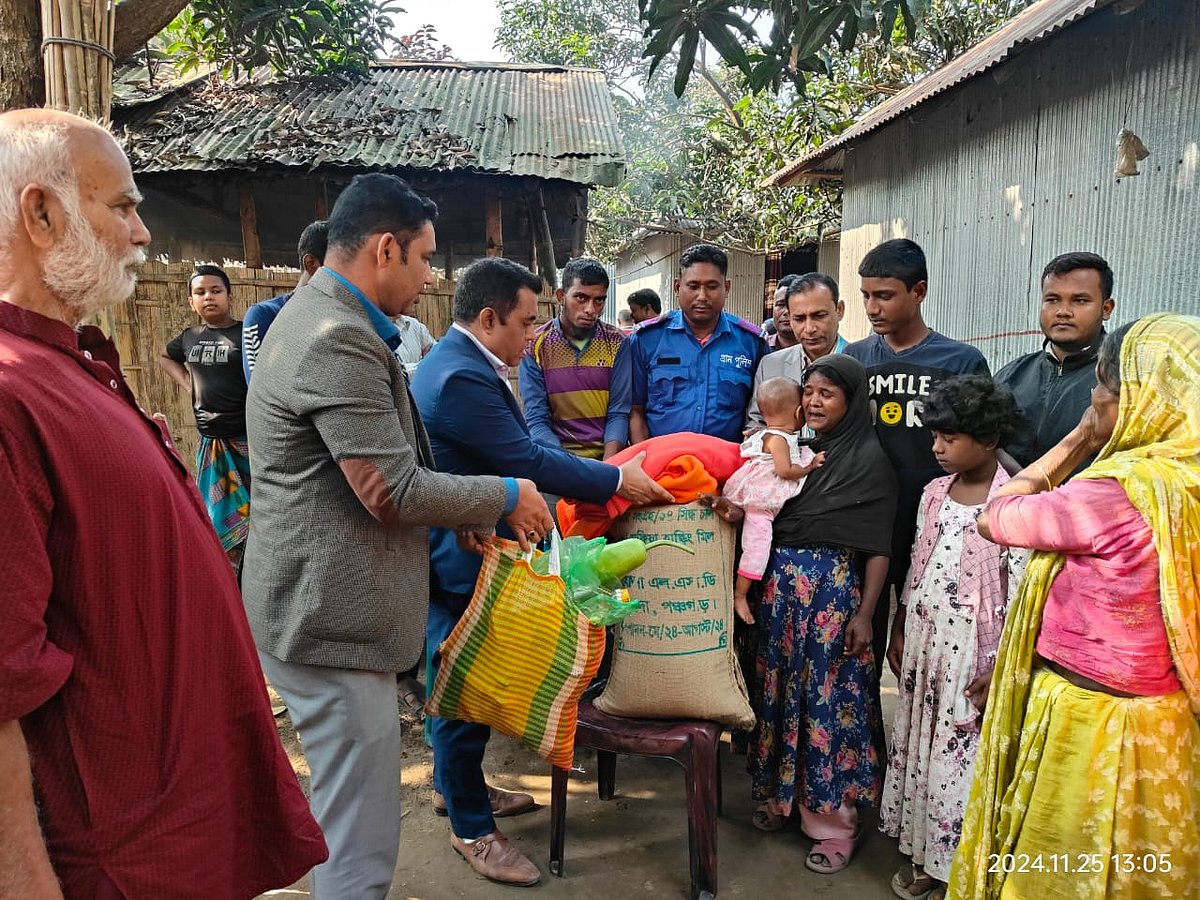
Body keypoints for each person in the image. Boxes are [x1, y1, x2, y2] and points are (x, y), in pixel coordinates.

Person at [0, 109, 326, 898]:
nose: (143, 234)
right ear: (41, 215)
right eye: (123, 206)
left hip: (177, 825)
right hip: (118, 857)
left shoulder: (71, 367)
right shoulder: (10, 394)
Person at [242, 173, 553, 899]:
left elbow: (385, 469)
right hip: (330, 625)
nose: (429, 279)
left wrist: (469, 514)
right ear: (385, 249)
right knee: (361, 840)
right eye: (424, 258)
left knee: (343, 812)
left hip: (319, 612)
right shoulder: (335, 338)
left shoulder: (326, 319)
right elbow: (391, 490)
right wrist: (508, 495)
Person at [411, 256, 672, 887]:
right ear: (489, 316)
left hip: (467, 540)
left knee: (461, 680)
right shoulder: (460, 378)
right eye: (527, 322)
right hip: (459, 556)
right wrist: (617, 479)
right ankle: (473, 828)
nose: (535, 335)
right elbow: (526, 455)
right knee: (460, 688)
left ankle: (458, 789)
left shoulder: (464, 362)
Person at [952, 314, 1200, 898]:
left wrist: (1081, 439)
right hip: (1167, 724)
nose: (1093, 397)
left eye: (1105, 389)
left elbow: (995, 515)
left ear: (1141, 401)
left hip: (1092, 721)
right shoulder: (1187, 483)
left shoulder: (1114, 492)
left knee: (1065, 870)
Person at [712, 355, 896, 873]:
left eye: (827, 395)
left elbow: (879, 545)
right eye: (808, 392)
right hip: (778, 594)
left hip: (832, 600)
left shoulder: (867, 461)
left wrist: (867, 615)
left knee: (826, 701)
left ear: (852, 402)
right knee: (778, 693)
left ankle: (833, 823)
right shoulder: (791, 453)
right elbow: (764, 512)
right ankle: (780, 800)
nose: (813, 402)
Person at [879, 376, 1028, 900]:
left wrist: (1003, 662)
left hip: (973, 652)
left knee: (957, 759)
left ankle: (952, 866)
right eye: (934, 436)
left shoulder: (1015, 499)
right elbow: (919, 563)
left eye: (949, 438)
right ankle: (923, 852)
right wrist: (899, 626)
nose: (936, 448)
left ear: (988, 439)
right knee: (921, 744)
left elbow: (1022, 594)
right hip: (925, 642)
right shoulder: (933, 494)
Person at [844, 238, 989, 696]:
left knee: (922, 646)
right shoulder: (854, 359)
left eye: (884, 295)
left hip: (934, 524)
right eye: (866, 295)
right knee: (858, 638)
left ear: (919, 291)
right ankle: (861, 751)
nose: (872, 306)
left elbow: (981, 448)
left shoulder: (960, 362)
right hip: (866, 518)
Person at [628, 243, 767, 444]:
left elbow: (760, 414)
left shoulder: (752, 343)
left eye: (712, 286)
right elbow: (635, 411)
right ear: (677, 287)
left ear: (726, 287)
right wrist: (644, 462)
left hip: (727, 467)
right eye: (693, 286)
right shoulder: (646, 340)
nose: (702, 296)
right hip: (661, 467)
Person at [158, 264, 251, 564]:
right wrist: (188, 383)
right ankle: (230, 578)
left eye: (216, 291)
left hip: (246, 444)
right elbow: (164, 357)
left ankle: (253, 577)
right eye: (200, 292)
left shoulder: (245, 333)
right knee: (218, 522)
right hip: (211, 445)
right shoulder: (189, 337)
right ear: (191, 301)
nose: (208, 297)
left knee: (255, 517)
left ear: (229, 296)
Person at [717, 377, 825, 624]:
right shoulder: (778, 440)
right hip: (760, 504)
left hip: (753, 492)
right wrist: (809, 466)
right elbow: (785, 471)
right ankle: (740, 595)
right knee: (758, 548)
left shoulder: (766, 433)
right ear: (799, 412)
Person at [995, 252, 1115, 470]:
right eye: (1052, 300)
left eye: (1080, 300)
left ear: (1106, 309)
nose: (1063, 312)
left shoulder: (1123, 382)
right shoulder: (1011, 376)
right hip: (1010, 502)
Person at [519, 257, 631, 460]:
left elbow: (619, 412)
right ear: (561, 296)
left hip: (609, 459)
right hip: (556, 460)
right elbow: (536, 420)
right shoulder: (535, 346)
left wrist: (609, 468)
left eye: (599, 300)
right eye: (581, 298)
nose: (590, 309)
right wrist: (570, 470)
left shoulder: (617, 343)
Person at [746, 272, 847, 430]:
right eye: (799, 319)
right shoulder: (770, 366)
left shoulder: (860, 360)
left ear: (839, 310)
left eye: (819, 316)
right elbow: (756, 425)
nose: (809, 329)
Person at [242, 219, 327, 381]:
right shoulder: (263, 316)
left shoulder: (345, 319)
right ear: (311, 264)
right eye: (341, 267)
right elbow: (258, 392)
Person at [765, 274, 798, 350]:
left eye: (793, 305)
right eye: (780, 304)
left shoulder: (817, 350)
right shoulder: (758, 349)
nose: (786, 312)